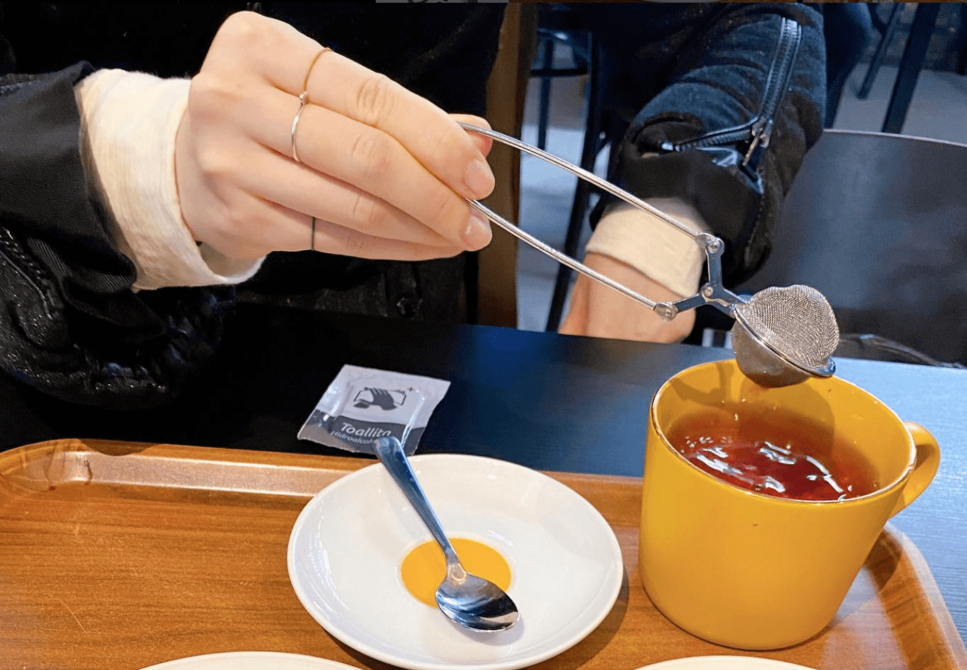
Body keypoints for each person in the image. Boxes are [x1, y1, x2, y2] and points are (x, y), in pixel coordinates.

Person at [0, 3, 825, 409]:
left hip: (385, 322)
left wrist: (661, 224)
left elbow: (749, 20)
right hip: (50, 314)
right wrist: (122, 156)